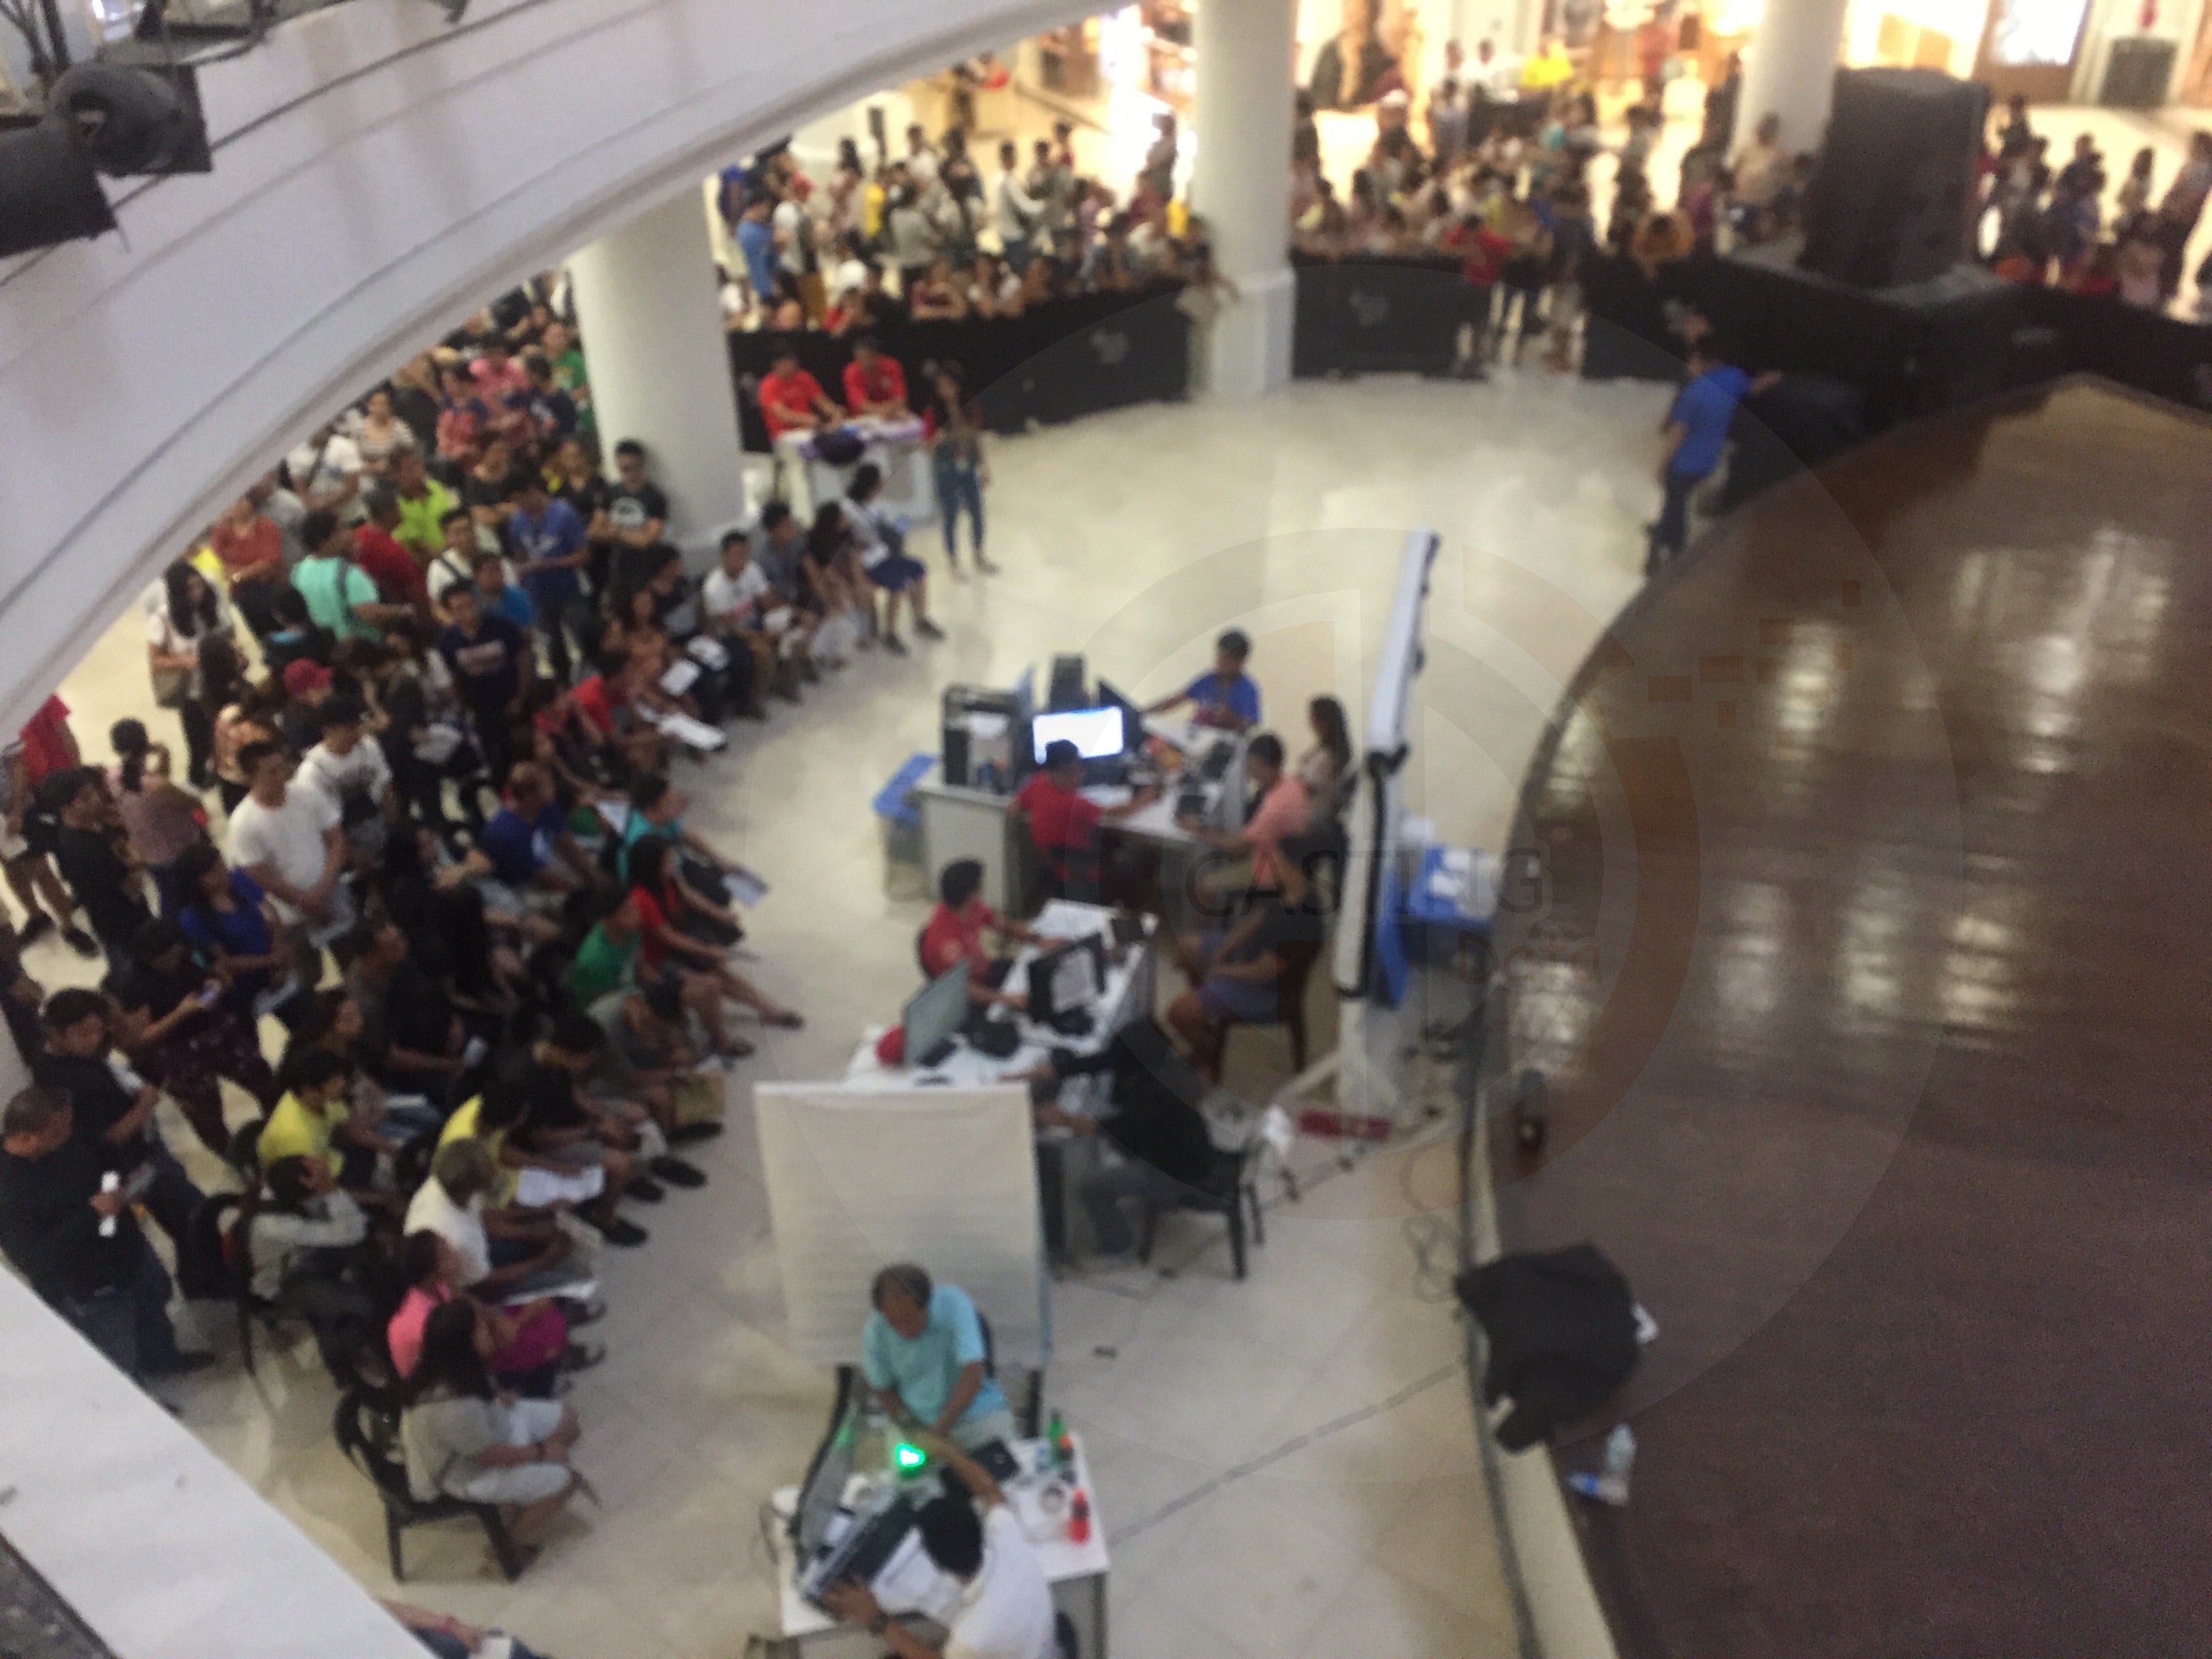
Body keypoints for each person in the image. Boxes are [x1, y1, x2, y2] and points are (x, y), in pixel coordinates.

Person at [0, 1085, 211, 1382]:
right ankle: (138, 1402)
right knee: (116, 1354)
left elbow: (101, 1157)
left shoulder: (66, 1141)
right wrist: (93, 1213)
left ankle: (164, 1361)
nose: (68, 1136)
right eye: (59, 1133)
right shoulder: (9, 1191)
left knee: (153, 1309)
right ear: (26, 1138)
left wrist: (122, 1182)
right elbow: (34, 1259)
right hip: (90, 1286)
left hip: (128, 1250)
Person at [820, 1427, 1055, 1659]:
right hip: (1036, 1643)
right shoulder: (1009, 1541)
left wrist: (875, 1618)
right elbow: (991, 1492)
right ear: (980, 1529)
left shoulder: (973, 1635)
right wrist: (944, 1450)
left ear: (937, 1562)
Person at [1024, 1015, 1218, 1256]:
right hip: (1186, 1150)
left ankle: (1117, 1242)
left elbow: (1112, 1130)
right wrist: (1054, 1070)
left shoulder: (1154, 1096)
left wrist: (1063, 1119)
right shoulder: (1170, 1066)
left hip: (1174, 1171)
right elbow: (1108, 1061)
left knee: (1092, 1187)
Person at [33, 987, 207, 1254]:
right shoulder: (64, 1083)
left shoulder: (76, 1055)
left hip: (146, 1147)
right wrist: (146, 1103)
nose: (94, 1040)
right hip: (135, 1164)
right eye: (83, 1033)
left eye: (97, 1030)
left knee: (186, 1218)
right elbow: (109, 1137)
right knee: (193, 1216)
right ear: (55, 1034)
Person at [400, 1297, 584, 1547]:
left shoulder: (450, 1368)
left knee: (568, 1420)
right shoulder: (454, 1407)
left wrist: (497, 1398)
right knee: (565, 1481)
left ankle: (528, 1490)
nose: (490, 1328)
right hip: (468, 1472)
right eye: (483, 1328)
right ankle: (509, 1544)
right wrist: (540, 1452)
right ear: (465, 1343)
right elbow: (487, 1456)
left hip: (489, 1424)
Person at [859, 1263, 1017, 1452]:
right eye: (893, 1323)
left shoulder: (954, 1304)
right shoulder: (874, 1330)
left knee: (1007, 1469)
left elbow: (972, 1373)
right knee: (902, 1477)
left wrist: (940, 1431)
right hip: (916, 1423)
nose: (902, 1330)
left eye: (908, 1320)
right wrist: (915, 1432)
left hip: (975, 1414)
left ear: (926, 1306)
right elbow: (884, 1390)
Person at [1649, 334, 1754, 574]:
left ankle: (1669, 553)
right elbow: (1754, 387)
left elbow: (1676, 435)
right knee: (1680, 504)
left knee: (1674, 508)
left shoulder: (1692, 395)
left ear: (1698, 358)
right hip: (1708, 462)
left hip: (1683, 464)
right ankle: (1665, 535)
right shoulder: (1734, 378)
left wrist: (1663, 465)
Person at [228, 740, 353, 939]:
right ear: (250, 778)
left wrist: (325, 886)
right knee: (307, 968)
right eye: (271, 772)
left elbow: (335, 837)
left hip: (331, 892)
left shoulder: (307, 793)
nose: (281, 776)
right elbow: (256, 871)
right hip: (290, 913)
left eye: (281, 767)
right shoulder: (243, 822)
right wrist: (301, 899)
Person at [1010, 740, 1156, 898]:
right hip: (1084, 871)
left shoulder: (1037, 782)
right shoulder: (1076, 805)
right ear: (1064, 772)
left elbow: (1013, 809)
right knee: (1143, 854)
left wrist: (1043, 816)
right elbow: (1122, 812)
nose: (1080, 775)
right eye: (1076, 770)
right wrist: (1146, 798)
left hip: (1055, 865)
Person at [1175, 733, 1310, 897]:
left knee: (1202, 884)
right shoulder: (1292, 782)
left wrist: (1198, 829)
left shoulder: (1273, 808)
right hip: (1288, 853)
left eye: (1253, 766)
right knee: (1223, 843)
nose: (1251, 772)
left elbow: (1237, 844)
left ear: (1265, 766)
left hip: (1270, 867)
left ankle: (1209, 919)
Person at [50, 765, 154, 977]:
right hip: (118, 923)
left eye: (92, 793)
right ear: (65, 808)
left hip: (128, 913)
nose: (95, 800)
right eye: (85, 799)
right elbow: (130, 885)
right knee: (134, 974)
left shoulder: (93, 823)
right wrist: (136, 861)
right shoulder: (80, 848)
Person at [918, 858, 1056, 1008]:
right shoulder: (947, 944)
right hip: (963, 997)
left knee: (1038, 977)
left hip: (983, 972)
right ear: (973, 894)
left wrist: (1037, 940)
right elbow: (964, 988)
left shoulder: (972, 907)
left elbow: (1001, 924)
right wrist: (1006, 999)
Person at [144, 559, 232, 789]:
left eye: (199, 585)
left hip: (220, 681)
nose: (197, 592)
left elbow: (227, 633)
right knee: (199, 741)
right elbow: (155, 660)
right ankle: (199, 780)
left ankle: (225, 770)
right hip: (192, 691)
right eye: (190, 588)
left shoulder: (209, 608)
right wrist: (184, 661)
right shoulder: (163, 618)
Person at [106, 719, 205, 914]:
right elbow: (192, 802)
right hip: (177, 851)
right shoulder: (156, 786)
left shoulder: (112, 778)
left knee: (167, 895)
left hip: (148, 852)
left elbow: (156, 786)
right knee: (187, 902)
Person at [436, 583, 531, 785]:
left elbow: (523, 660)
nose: (467, 612)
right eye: (459, 609)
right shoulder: (448, 641)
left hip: (512, 701)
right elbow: (455, 675)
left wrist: (521, 697)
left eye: (469, 605)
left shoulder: (502, 627)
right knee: (495, 760)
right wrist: (463, 705)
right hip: (482, 711)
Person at [842, 464, 943, 652]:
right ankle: (890, 633)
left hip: (887, 553)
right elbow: (847, 542)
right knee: (898, 583)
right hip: (868, 562)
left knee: (918, 569)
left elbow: (894, 525)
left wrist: (899, 530)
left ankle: (921, 619)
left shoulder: (879, 504)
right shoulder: (848, 509)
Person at [506, 478, 587, 681]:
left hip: (568, 589)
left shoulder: (564, 514)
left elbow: (583, 555)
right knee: (552, 645)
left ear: (533, 492)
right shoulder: (517, 521)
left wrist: (552, 563)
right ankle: (563, 685)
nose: (521, 507)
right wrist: (521, 571)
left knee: (583, 634)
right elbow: (519, 553)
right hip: (538, 593)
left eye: (522, 501)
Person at [293, 510, 403, 644]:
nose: (350, 533)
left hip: (330, 648)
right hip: (365, 647)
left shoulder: (300, 570)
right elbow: (369, 613)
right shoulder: (347, 573)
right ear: (324, 541)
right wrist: (402, 611)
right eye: (340, 530)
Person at [924, 363, 994, 572]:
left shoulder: (970, 408)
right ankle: (953, 560)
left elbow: (976, 438)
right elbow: (927, 448)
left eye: (950, 385)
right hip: (946, 469)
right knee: (951, 514)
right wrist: (938, 439)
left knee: (977, 510)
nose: (946, 390)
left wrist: (984, 466)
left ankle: (979, 554)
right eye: (941, 386)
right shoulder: (932, 413)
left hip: (968, 464)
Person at [1144, 628, 1261, 731]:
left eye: (1226, 660)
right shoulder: (1208, 680)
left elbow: (1252, 729)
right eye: (1219, 657)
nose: (1220, 663)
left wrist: (1231, 719)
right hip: (1196, 737)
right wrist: (1143, 713)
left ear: (1240, 662)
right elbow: (1175, 700)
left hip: (1223, 747)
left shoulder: (1248, 690)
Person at [758, 347, 843, 439]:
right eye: (787, 363)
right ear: (777, 364)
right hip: (784, 436)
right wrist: (814, 420)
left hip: (810, 430)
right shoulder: (768, 385)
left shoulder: (804, 377)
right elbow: (784, 415)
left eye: (793, 363)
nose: (792, 367)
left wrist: (834, 413)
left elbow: (821, 401)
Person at [1296, 694, 1354, 821]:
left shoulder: (1327, 757)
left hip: (1313, 816)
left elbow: (1307, 787)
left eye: (1313, 718)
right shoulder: (1323, 752)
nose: (1310, 723)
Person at [842, 335, 910, 419]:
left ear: (877, 357)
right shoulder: (851, 372)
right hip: (864, 416)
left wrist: (892, 409)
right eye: (858, 358)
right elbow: (859, 403)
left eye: (866, 358)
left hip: (893, 412)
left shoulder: (892, 366)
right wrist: (882, 410)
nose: (861, 363)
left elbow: (900, 396)